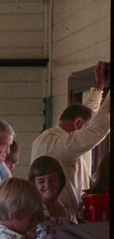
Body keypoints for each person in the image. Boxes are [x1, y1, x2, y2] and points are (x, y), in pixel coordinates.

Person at [31, 61, 110, 222]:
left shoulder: (52, 137)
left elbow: (89, 117)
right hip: (58, 221)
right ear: (77, 124)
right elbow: (95, 130)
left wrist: (99, 88)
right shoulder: (55, 144)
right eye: (84, 127)